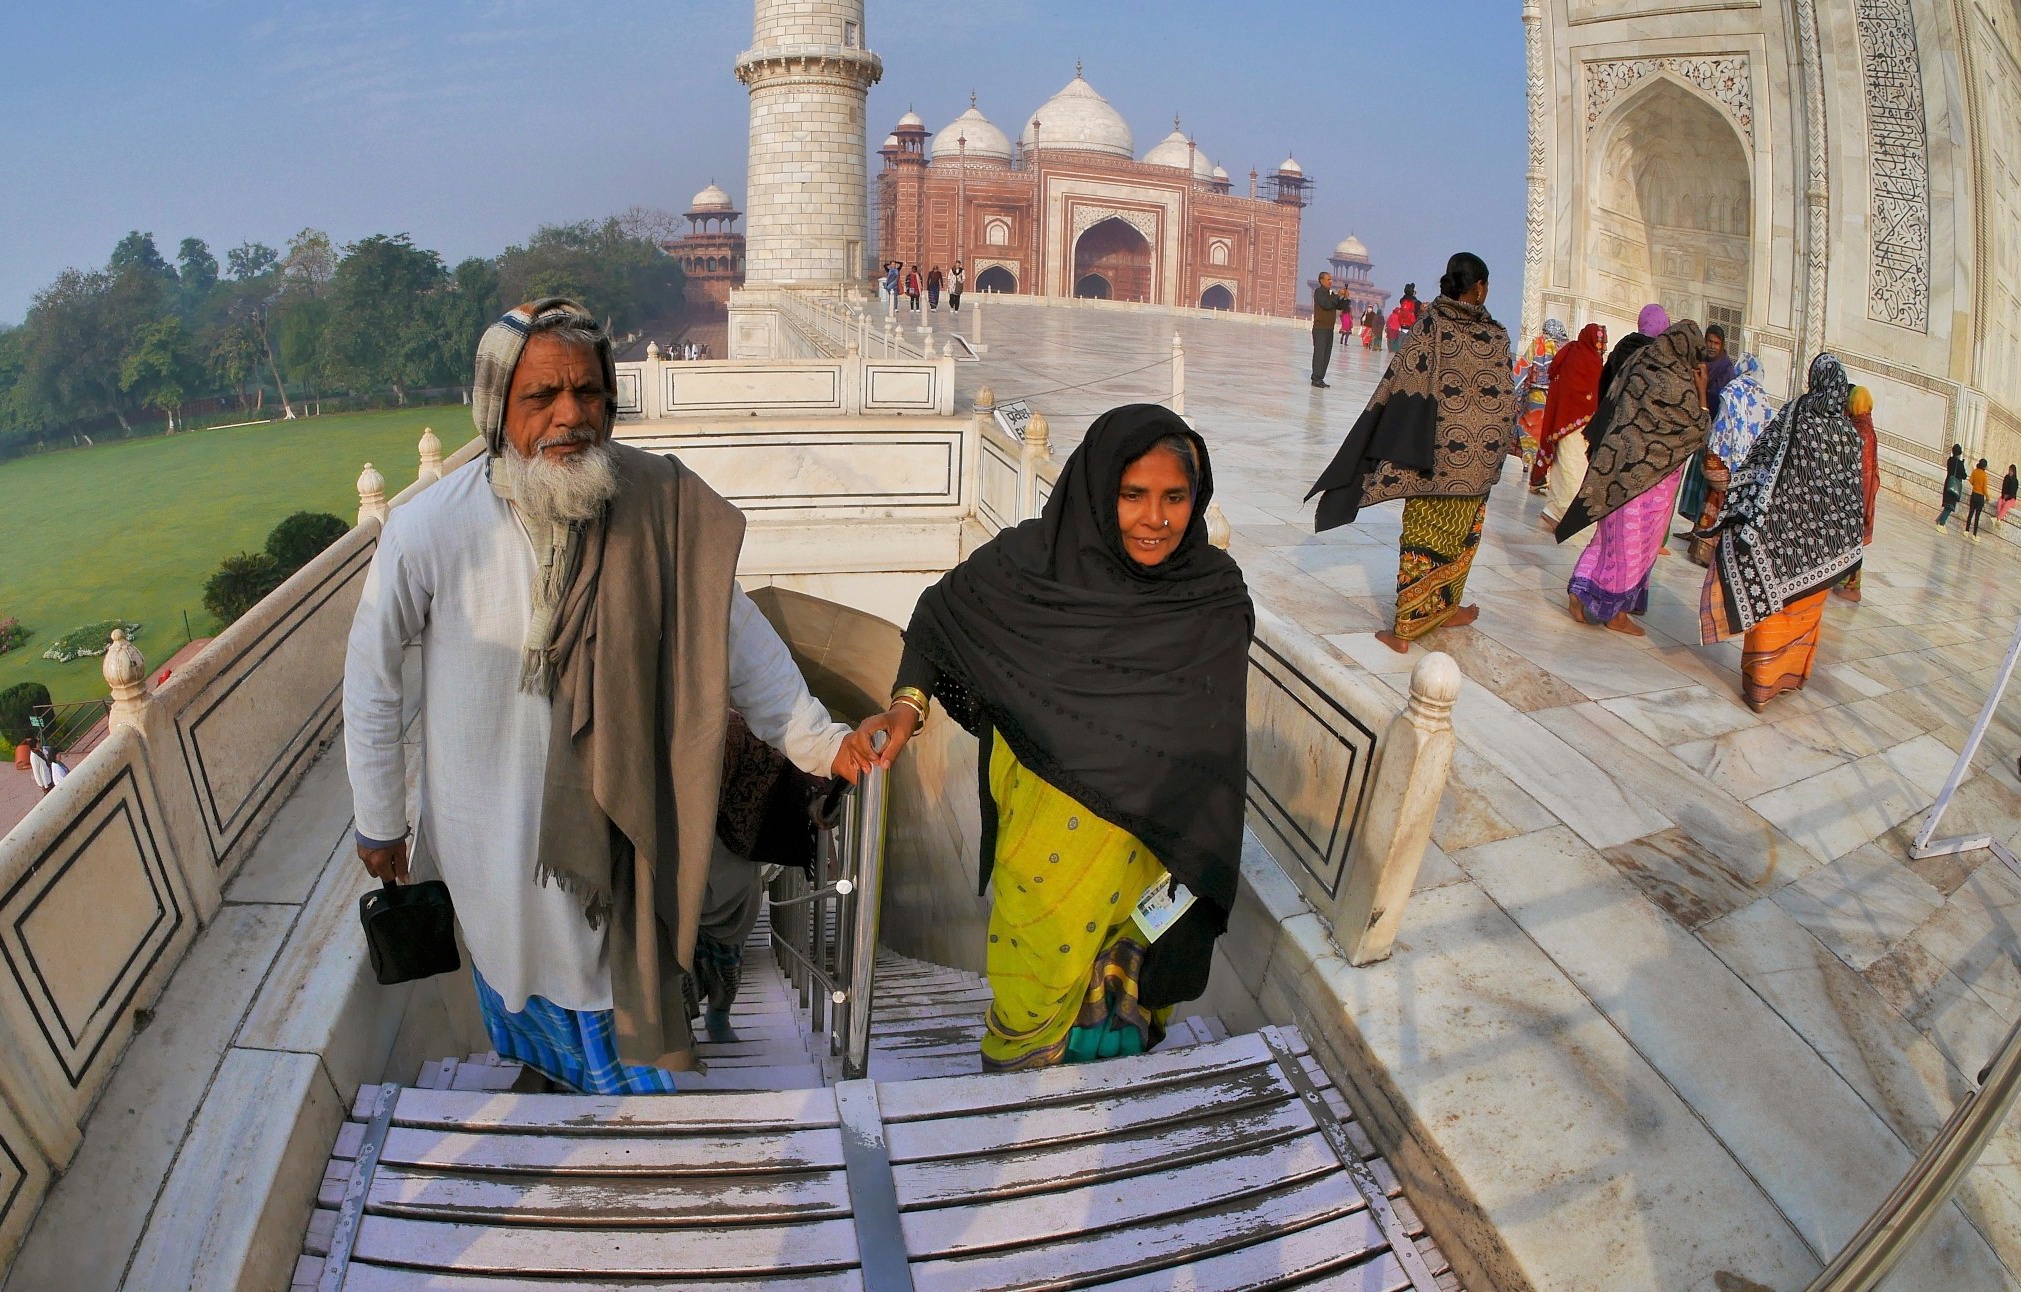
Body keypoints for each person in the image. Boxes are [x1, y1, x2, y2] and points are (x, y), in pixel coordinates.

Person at [343, 297, 879, 1095]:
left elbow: (737, 641)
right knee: (515, 985)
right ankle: (553, 1085)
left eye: (588, 393)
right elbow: (372, 676)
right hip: (487, 836)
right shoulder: (432, 529)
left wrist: (820, 741)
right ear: (497, 409)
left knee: (622, 1005)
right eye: (541, 397)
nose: (571, 416)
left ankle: (634, 1136)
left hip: (619, 827)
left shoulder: (655, 509)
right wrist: (381, 818)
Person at [857, 405, 1253, 1072]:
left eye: (1174, 498)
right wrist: (906, 705)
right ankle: (1015, 1109)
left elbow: (1210, 736)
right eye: (1132, 496)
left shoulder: (1211, 595)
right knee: (1033, 977)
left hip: (1149, 846)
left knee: (1124, 991)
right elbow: (935, 617)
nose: (1154, 519)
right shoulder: (1024, 565)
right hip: (1043, 840)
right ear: (1097, 490)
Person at [1307, 252, 1515, 652]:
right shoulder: (1496, 334)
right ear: (1480, 287)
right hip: (1474, 463)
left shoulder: (1431, 327)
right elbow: (1505, 396)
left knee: (1429, 536)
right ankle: (1409, 627)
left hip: (1438, 457)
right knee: (1459, 537)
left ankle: (1431, 614)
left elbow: (1401, 382)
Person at [1700, 355, 1866, 711]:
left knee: (1772, 607)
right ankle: (1784, 679)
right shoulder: (1848, 436)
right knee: (1803, 610)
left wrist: (1739, 503)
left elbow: (1759, 461)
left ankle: (1759, 685)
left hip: (1777, 540)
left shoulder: (1793, 416)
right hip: (1822, 547)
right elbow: (1849, 496)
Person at [1555, 318, 1711, 634]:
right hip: (1647, 480)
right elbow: (1698, 430)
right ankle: (1615, 613)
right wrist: (1702, 393)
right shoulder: (1678, 382)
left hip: (1615, 469)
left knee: (1607, 537)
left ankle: (1580, 588)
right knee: (1633, 545)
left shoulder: (1642, 360)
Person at [1687, 352, 1774, 566]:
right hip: (1744, 468)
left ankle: (1702, 550)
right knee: (1726, 504)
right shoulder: (1763, 400)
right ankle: (1718, 553)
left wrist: (1712, 451)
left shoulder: (1731, 390)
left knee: (1714, 498)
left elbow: (1720, 427)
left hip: (1717, 459)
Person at [1535, 324, 1607, 522]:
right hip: (1575, 423)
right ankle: (1560, 512)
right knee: (1572, 469)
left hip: (1567, 420)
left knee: (1564, 465)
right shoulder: (1587, 359)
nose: (1604, 346)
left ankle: (1553, 509)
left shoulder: (1575, 353)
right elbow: (1582, 393)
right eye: (1601, 341)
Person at [1675, 323, 1736, 526]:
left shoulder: (1726, 370)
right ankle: (1693, 526)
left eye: (1716, 343)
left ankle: (1697, 529)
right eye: (1708, 341)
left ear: (1722, 345)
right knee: (1693, 475)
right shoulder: (1700, 360)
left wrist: (1703, 387)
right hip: (1695, 425)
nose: (1711, 346)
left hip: (1713, 433)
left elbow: (1720, 399)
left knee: (1704, 480)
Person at [1834, 385, 1881, 600]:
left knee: (1850, 540)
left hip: (1854, 495)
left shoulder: (1859, 430)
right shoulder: (1866, 426)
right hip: (1860, 495)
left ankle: (1852, 587)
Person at [1511, 319, 1568, 475]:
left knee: (1529, 427)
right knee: (1546, 432)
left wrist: (1515, 391)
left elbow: (1524, 367)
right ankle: (1542, 465)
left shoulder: (1538, 343)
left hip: (1534, 397)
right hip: (1553, 399)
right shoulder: (1565, 348)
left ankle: (1527, 461)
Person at [1310, 271, 1352, 387]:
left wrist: (1345, 298)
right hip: (1320, 328)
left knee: (1326, 354)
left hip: (1329, 328)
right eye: (1328, 280)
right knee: (1319, 353)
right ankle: (1315, 378)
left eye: (1331, 279)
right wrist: (1337, 295)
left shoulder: (1330, 293)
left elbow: (1340, 307)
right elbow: (1327, 304)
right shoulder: (1319, 292)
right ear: (1321, 281)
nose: (1330, 282)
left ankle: (1320, 377)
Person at [1938, 445, 1966, 529]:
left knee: (1947, 505)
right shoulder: (1959, 463)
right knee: (1950, 506)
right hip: (1954, 486)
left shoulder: (1950, 460)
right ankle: (1941, 523)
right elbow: (1964, 475)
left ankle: (1939, 520)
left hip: (1948, 483)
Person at [1968, 458, 1991, 539]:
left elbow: (1970, 481)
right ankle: (1974, 534)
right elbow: (1984, 489)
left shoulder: (1975, 471)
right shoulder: (1984, 476)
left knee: (1970, 513)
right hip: (1980, 497)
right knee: (1977, 516)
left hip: (1974, 494)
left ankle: (1966, 531)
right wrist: (1988, 497)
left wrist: (1976, 485)